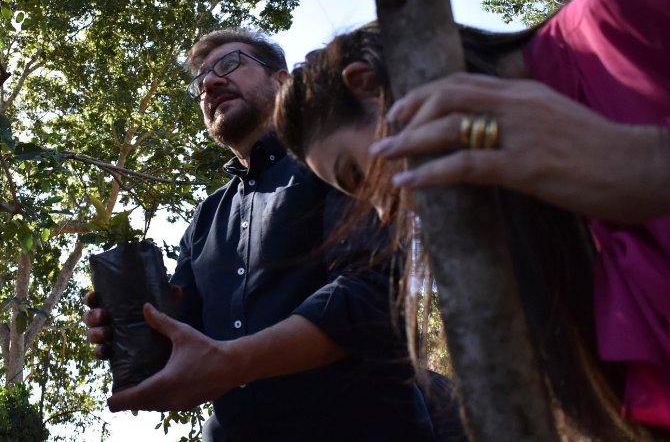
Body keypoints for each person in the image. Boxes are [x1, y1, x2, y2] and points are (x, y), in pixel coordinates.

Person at [273, 0, 670, 438]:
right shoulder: (537, 252)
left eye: (360, 176)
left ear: (368, 86)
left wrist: (651, 163)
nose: (385, 210)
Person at [84, 29, 458, 442]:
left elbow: (370, 295)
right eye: (201, 80)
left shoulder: (336, 162)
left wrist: (234, 361)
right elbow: (184, 341)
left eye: (229, 64)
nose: (209, 83)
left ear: (281, 81)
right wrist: (134, 326)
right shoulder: (205, 218)